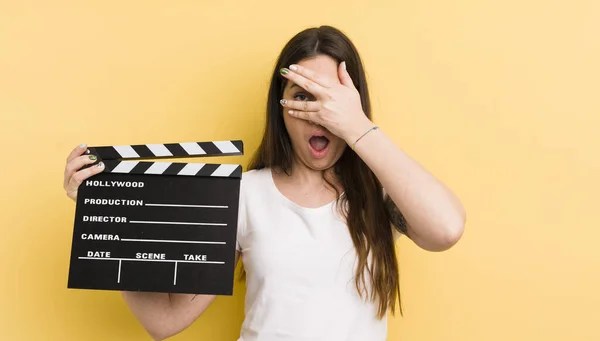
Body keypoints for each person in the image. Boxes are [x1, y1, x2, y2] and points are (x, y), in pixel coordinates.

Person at [62, 25, 466, 341]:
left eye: (330, 99)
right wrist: (104, 217)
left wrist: (357, 125)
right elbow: (165, 320)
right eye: (302, 96)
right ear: (281, 105)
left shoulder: (383, 195)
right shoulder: (242, 195)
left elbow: (446, 228)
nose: (317, 115)